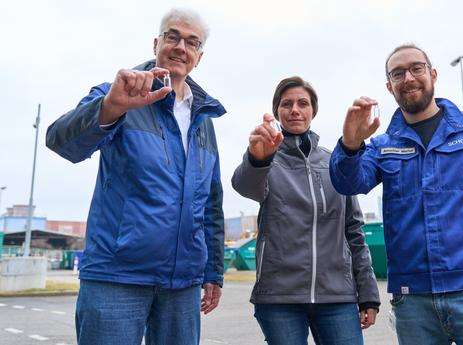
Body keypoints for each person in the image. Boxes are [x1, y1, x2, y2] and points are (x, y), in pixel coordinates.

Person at [46, 8, 225, 345]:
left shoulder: (204, 119)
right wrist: (110, 109)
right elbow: (60, 140)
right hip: (117, 278)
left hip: (182, 284)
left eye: (192, 42)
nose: (180, 47)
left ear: (199, 57)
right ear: (157, 42)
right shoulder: (120, 92)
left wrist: (213, 270)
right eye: (172, 36)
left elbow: (211, 203)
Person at [329, 44, 463, 345]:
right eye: (398, 73)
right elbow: (349, 183)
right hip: (413, 302)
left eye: (416, 68)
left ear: (432, 74)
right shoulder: (383, 145)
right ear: (389, 86)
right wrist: (349, 145)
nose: (408, 78)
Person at [232, 76, 381, 345]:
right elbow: (244, 185)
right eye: (286, 104)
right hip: (279, 297)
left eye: (303, 103)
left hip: (337, 296)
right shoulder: (266, 157)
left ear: (313, 110)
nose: (295, 110)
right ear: (277, 111)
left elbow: (354, 231)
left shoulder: (334, 162)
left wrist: (368, 291)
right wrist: (257, 159)